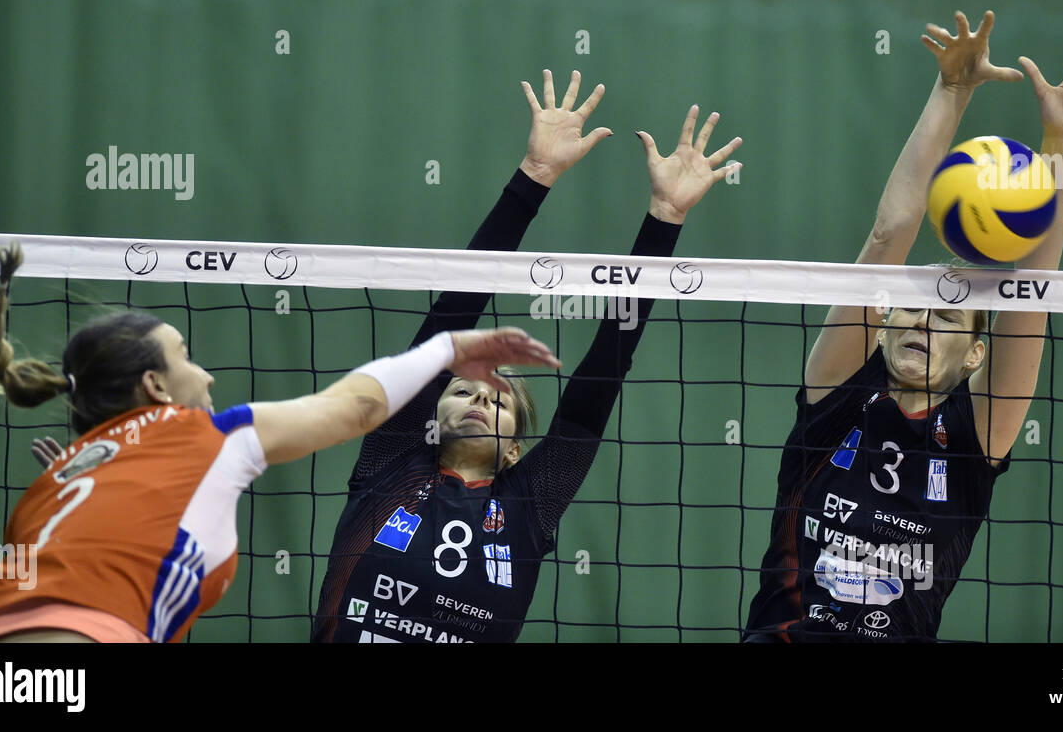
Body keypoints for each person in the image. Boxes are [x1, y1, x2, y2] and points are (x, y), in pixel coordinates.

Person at [744, 12, 1063, 642]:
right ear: (881, 322)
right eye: (913, 304)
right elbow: (888, 235)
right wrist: (952, 90)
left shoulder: (972, 437)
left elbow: (1030, 301)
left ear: (977, 354)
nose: (925, 320)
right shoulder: (835, 395)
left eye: (949, 313)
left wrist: (1061, 149)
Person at [313, 70, 742, 642]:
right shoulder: (389, 460)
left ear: (516, 449)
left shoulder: (530, 504)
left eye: (498, 401)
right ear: (430, 419)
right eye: (462, 388)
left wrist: (664, 221)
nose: (477, 397)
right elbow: (450, 317)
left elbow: (601, 379)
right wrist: (533, 177)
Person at [0, 242, 560, 643]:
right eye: (187, 357)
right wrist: (448, 350)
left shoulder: (56, 482)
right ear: (156, 384)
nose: (207, 375)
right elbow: (358, 407)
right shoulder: (202, 436)